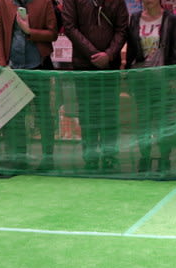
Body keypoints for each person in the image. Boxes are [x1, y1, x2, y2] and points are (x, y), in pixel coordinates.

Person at [62, 0, 128, 171]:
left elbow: (122, 28)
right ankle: (90, 158)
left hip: (110, 66)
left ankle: (110, 157)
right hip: (83, 65)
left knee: (110, 114)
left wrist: (109, 54)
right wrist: (93, 54)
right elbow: (69, 26)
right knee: (87, 115)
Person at [0, 0, 58, 169]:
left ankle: (48, 157)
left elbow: (53, 33)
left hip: (38, 64)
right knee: (14, 115)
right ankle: (18, 156)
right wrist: (2, 63)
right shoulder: (4, 2)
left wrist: (30, 31)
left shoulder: (44, 2)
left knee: (43, 113)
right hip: (13, 66)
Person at [125, 0, 176, 173]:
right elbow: (131, 50)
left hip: (163, 78)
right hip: (141, 79)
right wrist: (128, 74)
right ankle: (145, 156)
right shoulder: (134, 18)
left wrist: (173, 77)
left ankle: (165, 158)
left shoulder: (171, 19)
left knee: (163, 120)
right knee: (143, 120)